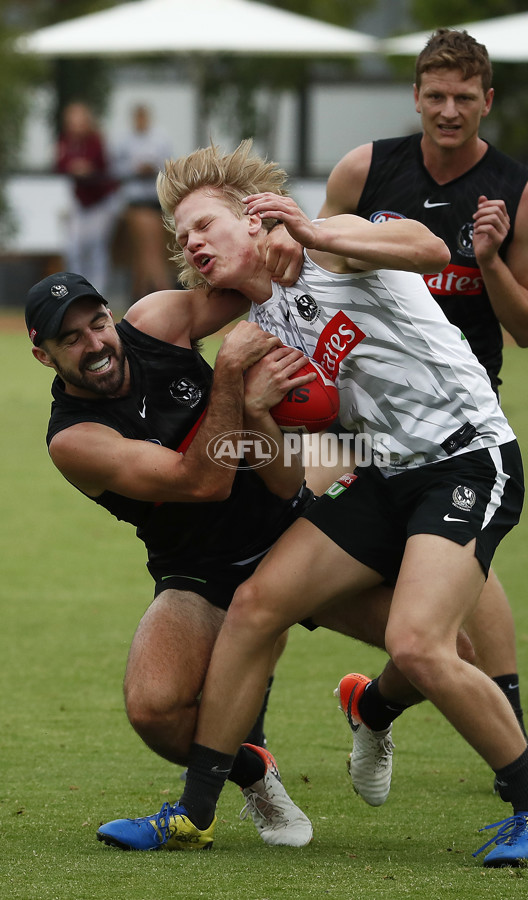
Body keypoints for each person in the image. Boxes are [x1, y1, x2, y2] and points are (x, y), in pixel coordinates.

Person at [104, 139, 528, 867]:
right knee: (259, 601)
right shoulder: (257, 334)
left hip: (467, 457)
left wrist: (318, 230)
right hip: (382, 474)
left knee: (419, 644)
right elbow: (287, 477)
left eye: (204, 224)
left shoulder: (335, 243)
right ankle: (192, 814)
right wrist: (260, 416)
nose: (190, 243)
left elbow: (426, 247)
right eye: (181, 239)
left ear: (253, 213)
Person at [317, 28, 528, 795]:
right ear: (415, 97)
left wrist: (485, 262)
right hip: (363, 424)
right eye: (435, 96)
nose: (449, 110)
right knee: (287, 581)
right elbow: (315, 277)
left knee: (460, 578)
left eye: (464, 97)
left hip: (457, 423)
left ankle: (494, 734)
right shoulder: (365, 168)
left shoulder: (522, 191)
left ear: (487, 102)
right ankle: (252, 755)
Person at [25, 269, 319, 850]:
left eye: (98, 322)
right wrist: (231, 375)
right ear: (44, 356)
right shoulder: (74, 440)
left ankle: (375, 704)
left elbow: (259, 285)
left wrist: (262, 239)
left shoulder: (156, 323)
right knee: (154, 710)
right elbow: (203, 482)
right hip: (198, 571)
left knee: (428, 651)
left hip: (292, 531)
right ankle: (252, 769)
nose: (96, 344)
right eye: (72, 339)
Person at [56, 102, 120, 295]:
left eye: (79, 120)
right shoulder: (65, 141)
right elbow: (59, 164)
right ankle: (76, 291)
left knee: (96, 247)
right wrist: (73, 167)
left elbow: (102, 164)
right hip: (81, 202)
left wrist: (85, 168)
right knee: (73, 247)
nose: (76, 125)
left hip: (101, 200)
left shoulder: (96, 140)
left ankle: (97, 293)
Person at [112, 104, 175, 298]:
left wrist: (152, 167)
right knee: (146, 249)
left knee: (148, 250)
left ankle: (145, 293)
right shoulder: (124, 141)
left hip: (155, 201)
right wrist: (134, 169)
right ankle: (160, 289)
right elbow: (114, 169)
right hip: (136, 201)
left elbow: (170, 165)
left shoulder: (160, 138)